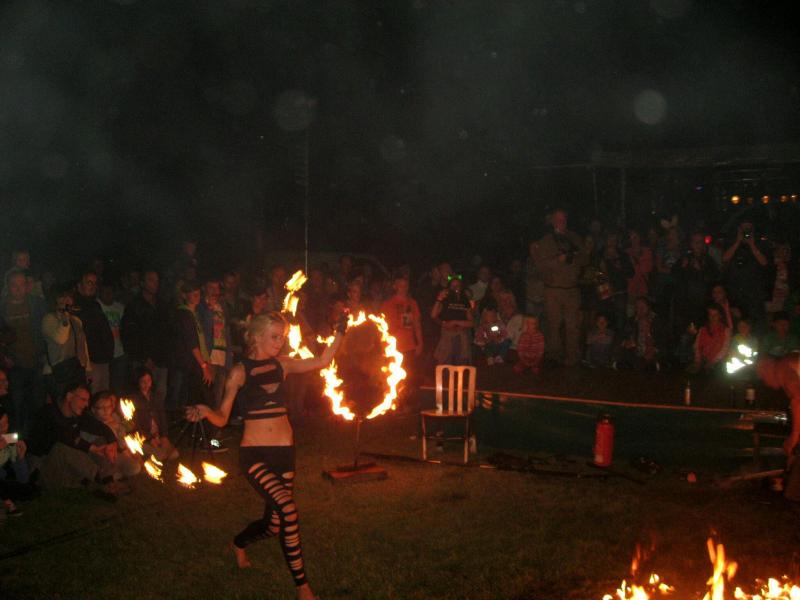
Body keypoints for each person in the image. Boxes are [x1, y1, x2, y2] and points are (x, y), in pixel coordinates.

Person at [186, 312, 345, 600]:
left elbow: (322, 361)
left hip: (284, 453)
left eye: (282, 337)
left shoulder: (282, 364)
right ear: (257, 337)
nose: (279, 342)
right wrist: (206, 411)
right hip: (255, 455)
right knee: (288, 510)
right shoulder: (240, 372)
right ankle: (303, 588)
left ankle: (239, 543)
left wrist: (341, 331)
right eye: (274, 336)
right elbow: (222, 417)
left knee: (274, 524)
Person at [26, 382, 119, 498]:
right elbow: (64, 436)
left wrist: (112, 443)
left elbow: (101, 427)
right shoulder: (48, 413)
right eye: (83, 400)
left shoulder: (78, 414)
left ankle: (107, 481)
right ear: (69, 396)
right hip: (45, 469)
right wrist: (91, 448)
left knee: (100, 441)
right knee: (61, 448)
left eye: (87, 401)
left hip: (69, 469)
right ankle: (99, 479)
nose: (86, 405)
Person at [534, 209, 588, 366]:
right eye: (558, 219)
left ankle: (572, 356)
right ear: (552, 221)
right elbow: (540, 265)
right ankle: (554, 356)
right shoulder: (545, 241)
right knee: (553, 324)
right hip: (553, 290)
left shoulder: (575, 238)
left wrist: (574, 257)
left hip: (572, 289)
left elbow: (585, 259)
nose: (561, 222)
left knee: (573, 325)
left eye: (563, 219)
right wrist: (558, 260)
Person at [0, 269, 46, 435]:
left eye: (22, 284)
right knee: (16, 407)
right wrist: (4, 356)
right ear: (8, 286)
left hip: (36, 362)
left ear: (27, 286)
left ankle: (35, 442)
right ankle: (16, 444)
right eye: (14, 285)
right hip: (14, 366)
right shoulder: (2, 307)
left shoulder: (37, 304)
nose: (18, 289)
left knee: (37, 406)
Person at [121, 270, 171, 413]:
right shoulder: (134, 306)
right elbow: (130, 335)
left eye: (156, 280)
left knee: (160, 396)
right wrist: (143, 358)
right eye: (151, 280)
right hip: (142, 360)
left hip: (161, 360)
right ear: (142, 283)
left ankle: (158, 423)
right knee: (141, 396)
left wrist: (164, 355)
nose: (155, 284)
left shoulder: (162, 305)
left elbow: (166, 333)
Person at [381, 276, 423, 411]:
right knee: (392, 378)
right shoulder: (387, 304)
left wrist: (420, 342)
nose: (403, 288)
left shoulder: (412, 303)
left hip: (409, 345)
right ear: (395, 286)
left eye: (406, 285)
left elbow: (417, 324)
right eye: (401, 285)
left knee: (409, 377)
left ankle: (407, 405)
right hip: (392, 348)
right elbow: (382, 327)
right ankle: (394, 405)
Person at [41, 288, 91, 403]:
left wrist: (87, 368)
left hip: (77, 370)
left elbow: (83, 344)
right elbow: (60, 339)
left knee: (78, 403)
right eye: (62, 297)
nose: (66, 300)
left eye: (69, 297)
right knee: (62, 404)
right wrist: (65, 320)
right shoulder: (48, 319)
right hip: (57, 372)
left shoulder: (76, 320)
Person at [722, 221, 769, 330]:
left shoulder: (759, 244)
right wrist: (738, 242)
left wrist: (752, 244)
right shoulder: (732, 243)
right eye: (744, 228)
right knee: (738, 326)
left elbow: (764, 262)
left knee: (755, 327)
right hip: (736, 294)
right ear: (739, 229)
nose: (746, 231)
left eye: (749, 228)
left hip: (754, 295)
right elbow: (724, 258)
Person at [73, 271, 114, 393]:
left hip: (103, 359)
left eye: (94, 283)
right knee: (91, 395)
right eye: (89, 283)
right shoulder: (75, 306)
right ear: (79, 285)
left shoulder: (95, 305)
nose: (92, 286)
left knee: (104, 395)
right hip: (89, 362)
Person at [89, 390, 142, 478]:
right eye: (101, 407)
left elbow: (123, 438)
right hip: (104, 454)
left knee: (136, 463)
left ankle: (115, 473)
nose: (106, 410)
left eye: (108, 407)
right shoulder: (91, 423)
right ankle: (108, 475)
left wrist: (129, 451)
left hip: (120, 451)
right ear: (93, 409)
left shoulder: (115, 417)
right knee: (133, 467)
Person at [756, 352, 800, 457]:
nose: (764, 382)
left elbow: (798, 400)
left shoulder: (783, 367)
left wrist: (793, 439)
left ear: (769, 366)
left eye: (762, 375)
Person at [131, 368, 178, 462]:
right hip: (144, 437)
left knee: (174, 454)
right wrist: (149, 438)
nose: (146, 384)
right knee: (160, 455)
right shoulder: (134, 399)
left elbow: (162, 417)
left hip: (157, 435)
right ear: (138, 382)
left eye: (148, 381)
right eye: (143, 381)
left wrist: (164, 436)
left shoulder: (156, 396)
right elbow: (135, 425)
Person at [431, 275, 473, 366]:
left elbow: (471, 322)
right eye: (453, 286)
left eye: (457, 285)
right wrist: (439, 299)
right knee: (445, 364)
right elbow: (433, 315)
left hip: (461, 335)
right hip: (447, 335)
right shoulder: (445, 300)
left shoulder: (465, 301)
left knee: (460, 365)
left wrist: (455, 322)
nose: (455, 288)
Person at [98, 283, 126, 392]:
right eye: (106, 292)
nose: (108, 295)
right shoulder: (97, 306)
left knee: (118, 385)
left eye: (110, 292)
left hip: (119, 353)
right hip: (103, 353)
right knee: (103, 386)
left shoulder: (120, 308)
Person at [689, 303, 731, 374]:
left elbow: (724, 349)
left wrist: (713, 362)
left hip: (718, 364)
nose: (712, 317)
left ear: (720, 316)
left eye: (715, 315)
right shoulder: (703, 329)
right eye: (710, 314)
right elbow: (697, 346)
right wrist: (697, 361)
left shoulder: (725, 330)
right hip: (702, 362)